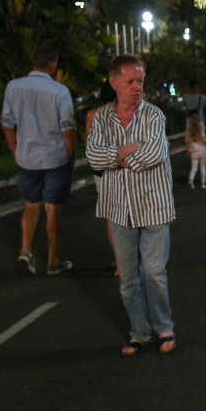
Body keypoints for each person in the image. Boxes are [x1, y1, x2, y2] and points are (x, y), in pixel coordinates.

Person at [86, 54, 177, 357]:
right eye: (130, 82)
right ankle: (138, 332)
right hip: (118, 209)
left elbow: (155, 154)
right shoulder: (101, 118)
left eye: (140, 81)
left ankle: (164, 328)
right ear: (114, 83)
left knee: (153, 271)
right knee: (128, 278)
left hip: (153, 207)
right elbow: (93, 157)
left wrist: (116, 158)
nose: (137, 87)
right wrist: (125, 150)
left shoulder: (153, 116)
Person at [0, 44, 77, 277]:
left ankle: (26, 251)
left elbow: (6, 123)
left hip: (27, 160)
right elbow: (68, 130)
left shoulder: (13, 87)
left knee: (30, 205)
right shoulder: (60, 91)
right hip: (54, 159)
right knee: (53, 209)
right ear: (52, 64)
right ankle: (53, 261)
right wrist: (71, 158)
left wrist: (16, 151)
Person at [86, 83, 118, 276]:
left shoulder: (92, 114)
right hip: (121, 168)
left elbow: (91, 148)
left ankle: (119, 259)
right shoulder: (125, 114)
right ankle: (125, 261)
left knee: (111, 218)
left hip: (101, 172)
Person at [185, 114, 206, 190]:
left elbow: (187, 142)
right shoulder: (201, 130)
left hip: (194, 152)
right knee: (203, 168)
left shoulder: (189, 131)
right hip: (202, 151)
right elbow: (204, 140)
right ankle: (203, 184)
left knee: (194, 168)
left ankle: (191, 181)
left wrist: (188, 151)